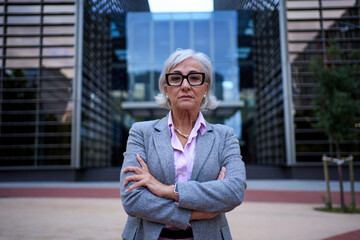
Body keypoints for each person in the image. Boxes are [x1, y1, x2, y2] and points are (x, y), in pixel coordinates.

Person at [120, 49, 246, 240]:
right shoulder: (141, 132)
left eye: (194, 78)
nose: (185, 85)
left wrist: (168, 190)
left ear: (206, 88)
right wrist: (198, 212)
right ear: (165, 88)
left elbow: (234, 191)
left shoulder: (225, 136)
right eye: (176, 78)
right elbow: (133, 199)